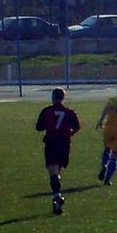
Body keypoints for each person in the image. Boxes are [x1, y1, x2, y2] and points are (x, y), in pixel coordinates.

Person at [35, 87, 81, 216]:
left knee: (53, 172)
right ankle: (56, 203)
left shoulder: (46, 111)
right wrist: (70, 133)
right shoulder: (69, 112)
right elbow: (77, 127)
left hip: (51, 142)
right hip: (64, 144)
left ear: (53, 97)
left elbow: (38, 127)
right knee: (57, 171)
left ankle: (57, 196)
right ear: (63, 98)